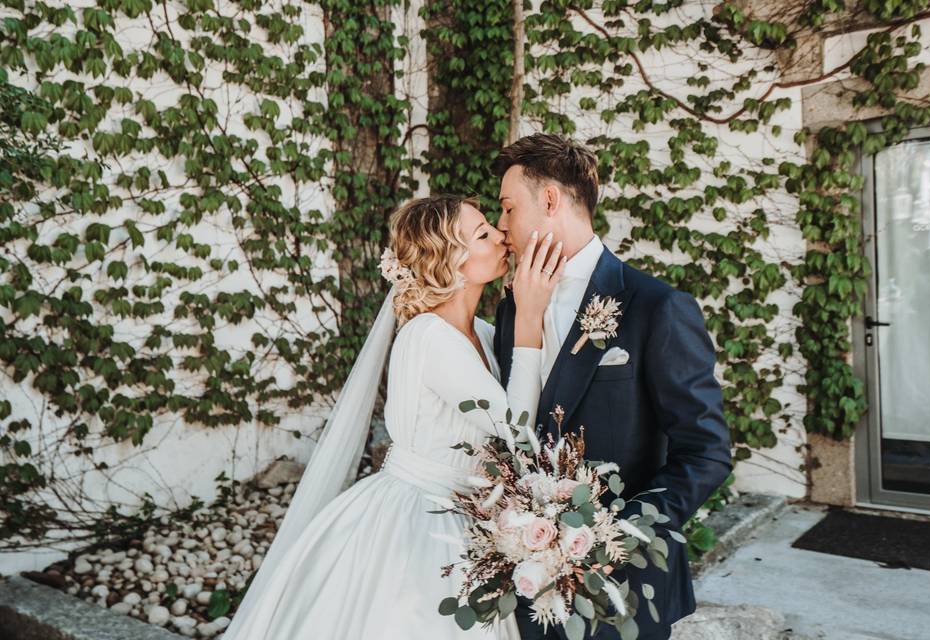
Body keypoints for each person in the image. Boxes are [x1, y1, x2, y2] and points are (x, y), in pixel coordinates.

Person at [221, 194, 564, 640]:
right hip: (420, 520)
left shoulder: (480, 331)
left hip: (465, 515)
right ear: (447, 258)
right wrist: (531, 316)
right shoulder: (429, 337)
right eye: (483, 233)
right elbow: (518, 430)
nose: (501, 236)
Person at [492, 134, 733, 640]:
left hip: (624, 584)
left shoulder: (656, 306)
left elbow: (705, 452)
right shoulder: (513, 305)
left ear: (551, 201)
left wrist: (613, 535)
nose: (501, 226)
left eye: (509, 208)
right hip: (528, 585)